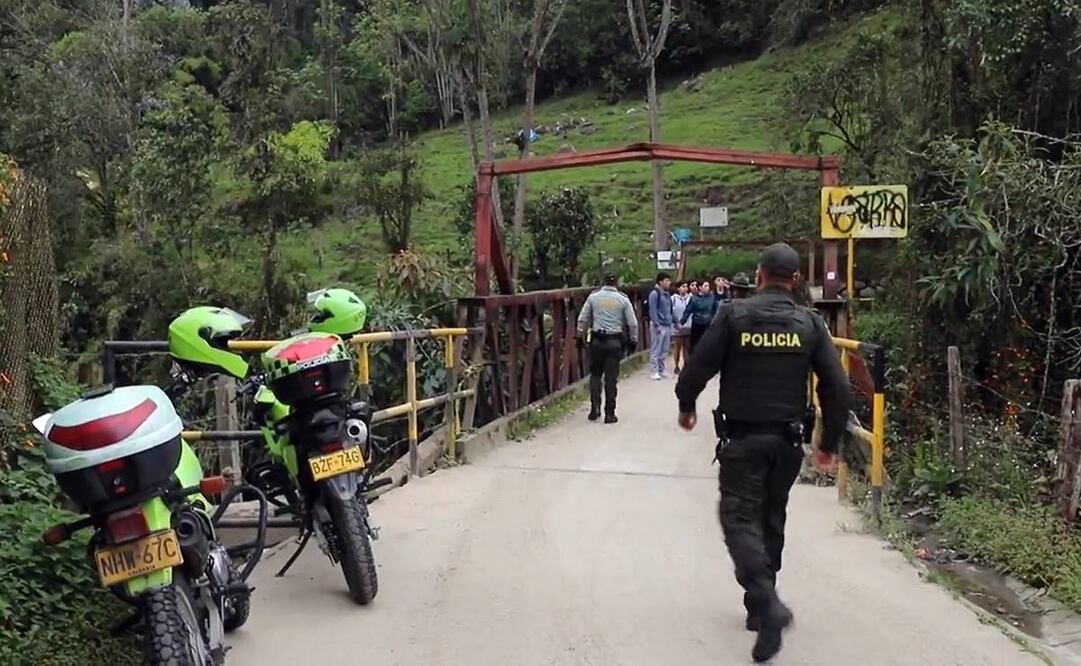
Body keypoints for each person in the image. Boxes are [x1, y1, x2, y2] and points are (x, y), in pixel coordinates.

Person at [674, 242, 850, 663]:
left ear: (758, 276)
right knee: (771, 514)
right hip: (788, 444)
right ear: (795, 280)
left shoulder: (734, 316)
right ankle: (759, 606)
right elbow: (837, 387)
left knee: (738, 517)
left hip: (742, 441)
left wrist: (686, 405)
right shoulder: (809, 324)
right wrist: (828, 445)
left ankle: (766, 601)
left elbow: (697, 366)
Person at [577, 272, 638, 423]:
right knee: (611, 379)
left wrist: (580, 335)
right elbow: (633, 323)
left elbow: (583, 319)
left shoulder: (593, 297)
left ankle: (594, 408)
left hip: (597, 341)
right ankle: (610, 413)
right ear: (616, 282)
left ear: (603, 282)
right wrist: (633, 340)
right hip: (614, 342)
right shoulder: (623, 299)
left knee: (595, 375)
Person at [647, 272, 674, 380]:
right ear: (660, 281)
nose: (669, 283)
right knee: (656, 348)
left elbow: (671, 309)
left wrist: (676, 321)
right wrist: (656, 324)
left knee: (664, 349)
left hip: (667, 324)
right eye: (666, 281)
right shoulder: (655, 294)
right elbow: (652, 310)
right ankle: (654, 370)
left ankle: (662, 369)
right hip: (658, 324)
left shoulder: (667, 294)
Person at [681, 279, 719, 354]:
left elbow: (715, 310)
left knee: (708, 345)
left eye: (708, 286)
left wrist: (714, 320)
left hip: (708, 324)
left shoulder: (712, 297)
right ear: (700, 287)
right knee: (695, 345)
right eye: (705, 286)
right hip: (697, 324)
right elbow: (688, 311)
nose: (707, 287)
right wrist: (682, 322)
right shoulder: (694, 299)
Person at [671, 281, 692, 372]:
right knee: (677, 347)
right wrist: (675, 323)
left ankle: (686, 366)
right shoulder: (673, 299)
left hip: (688, 325)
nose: (685, 288)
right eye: (683, 286)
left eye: (686, 286)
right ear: (678, 288)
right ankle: (676, 365)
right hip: (677, 326)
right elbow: (671, 311)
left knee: (686, 347)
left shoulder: (691, 298)